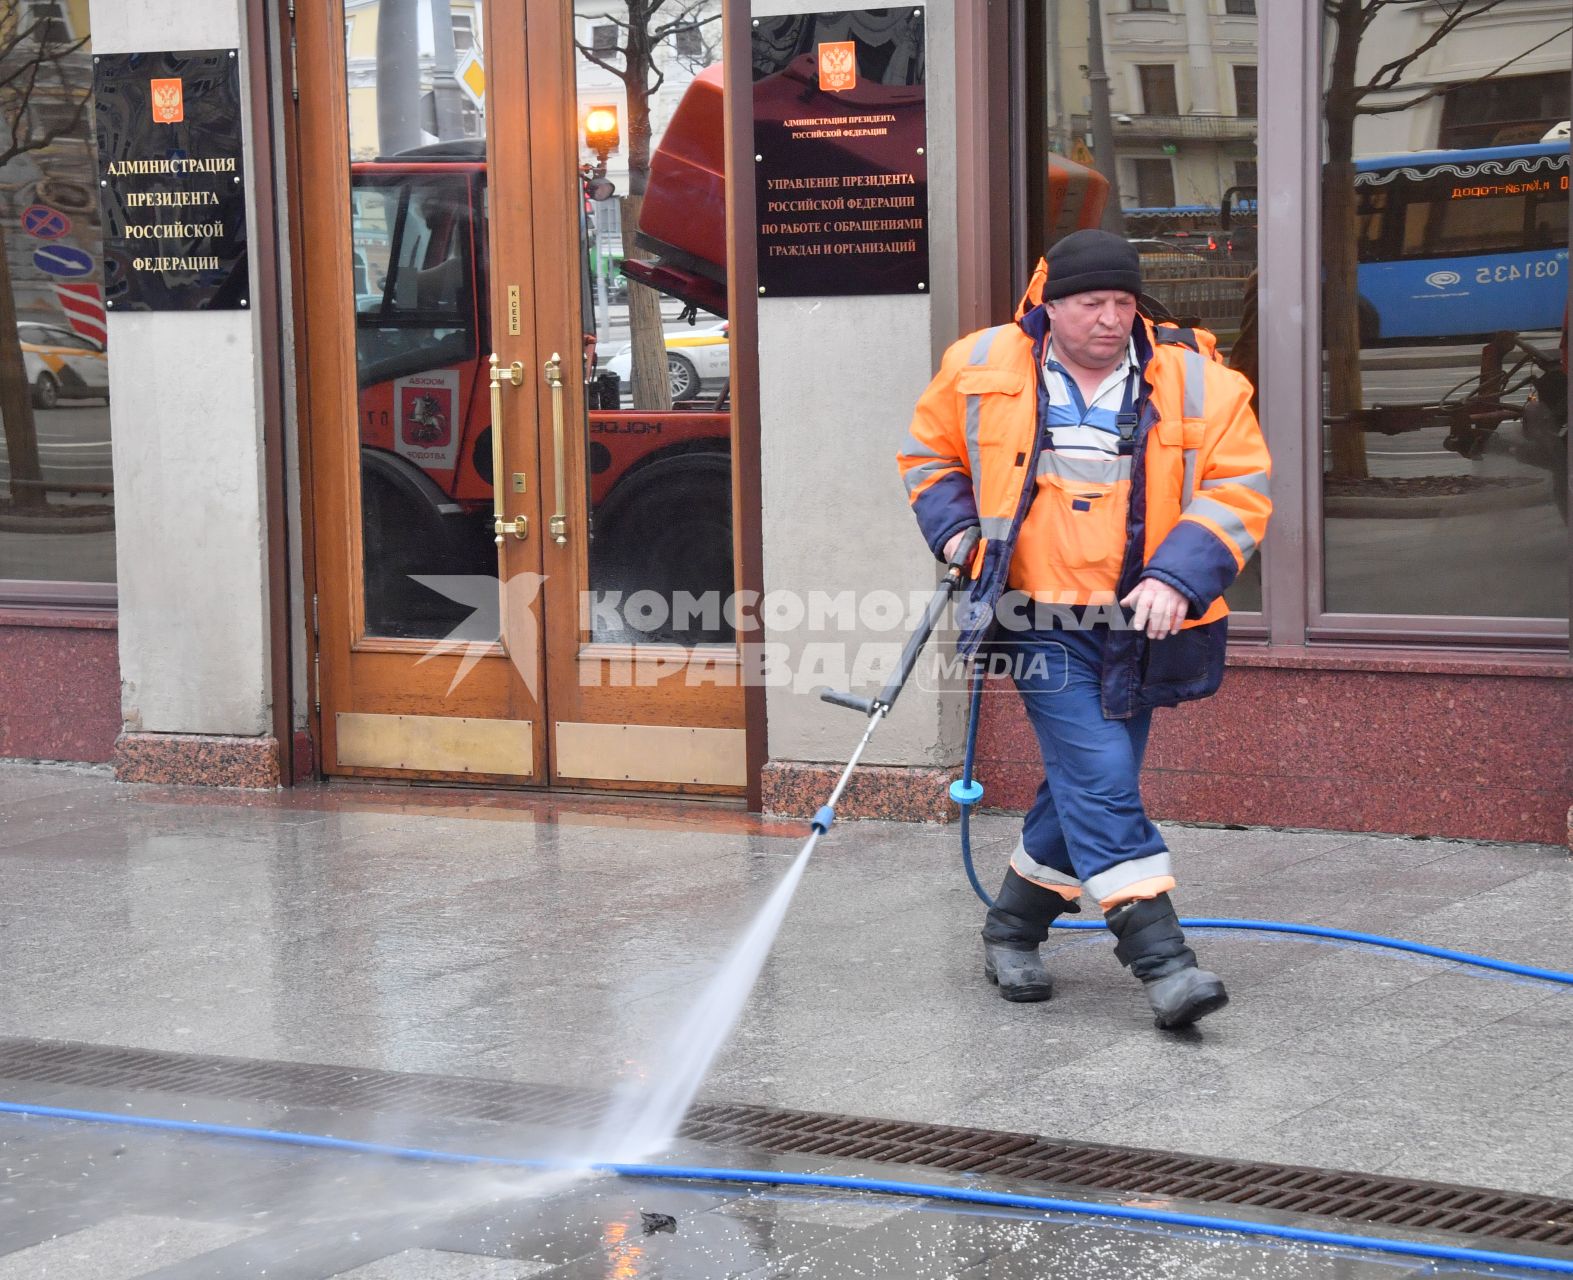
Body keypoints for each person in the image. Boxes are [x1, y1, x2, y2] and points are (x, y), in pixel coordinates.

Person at [898, 230, 1272, 1030]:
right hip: (1036, 616)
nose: (1109, 319)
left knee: (1082, 788)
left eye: (1122, 303)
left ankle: (1010, 931)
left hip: (1136, 624)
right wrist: (958, 533)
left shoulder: (1199, 382)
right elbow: (928, 458)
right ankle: (1162, 961)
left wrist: (1177, 575)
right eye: (1091, 303)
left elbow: (1239, 488)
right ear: (1050, 305)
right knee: (1101, 776)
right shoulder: (980, 366)